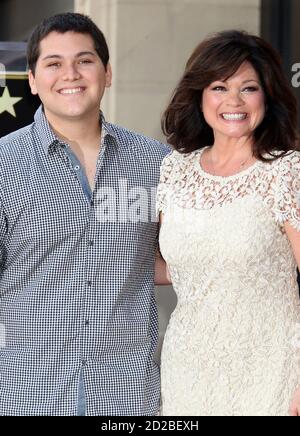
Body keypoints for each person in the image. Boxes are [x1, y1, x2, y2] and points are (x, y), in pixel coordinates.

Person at [0, 12, 169, 416]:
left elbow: (182, 257)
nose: (70, 74)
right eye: (54, 63)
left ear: (107, 73)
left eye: (85, 60)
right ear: (34, 80)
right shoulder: (4, 164)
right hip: (26, 390)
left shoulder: (156, 163)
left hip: (126, 392)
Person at [156, 30, 300, 416]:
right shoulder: (175, 169)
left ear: (266, 98)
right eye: (219, 87)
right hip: (187, 371)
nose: (233, 101)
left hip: (270, 371)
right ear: (200, 96)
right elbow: (174, 266)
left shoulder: (287, 172)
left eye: (248, 88)